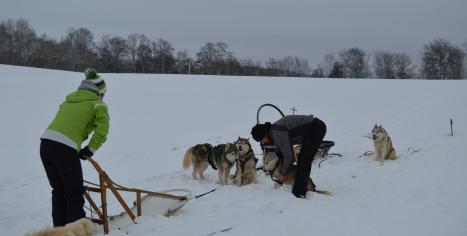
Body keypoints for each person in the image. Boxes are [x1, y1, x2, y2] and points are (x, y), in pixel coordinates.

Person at [40, 68, 110, 226]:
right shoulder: (98, 104)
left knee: (59, 190)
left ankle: (60, 229)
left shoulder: (68, 101)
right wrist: (90, 149)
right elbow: (102, 130)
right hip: (64, 148)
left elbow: (67, 123)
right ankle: (76, 231)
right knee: (74, 192)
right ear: (100, 92)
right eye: (104, 94)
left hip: (46, 144)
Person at [251, 114, 326, 198]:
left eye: (261, 140)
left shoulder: (277, 132)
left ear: (264, 135)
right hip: (310, 131)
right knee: (302, 160)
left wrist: (283, 174)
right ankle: (300, 188)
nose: (262, 142)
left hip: (315, 128)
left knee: (304, 161)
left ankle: (299, 193)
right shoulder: (274, 133)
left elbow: (289, 156)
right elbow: (281, 152)